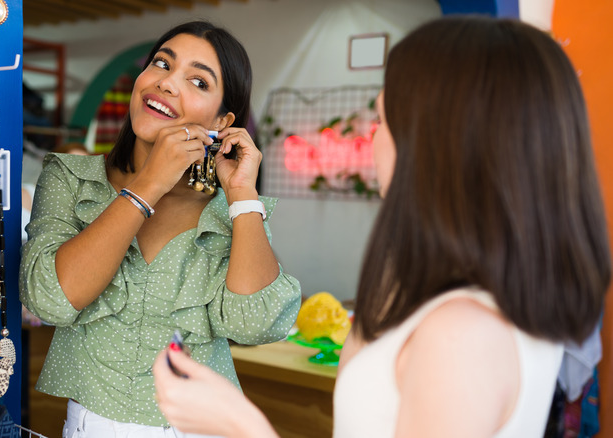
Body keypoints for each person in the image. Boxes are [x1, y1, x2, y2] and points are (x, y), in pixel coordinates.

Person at [152, 16, 611, 438]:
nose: (372, 143)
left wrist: (242, 425)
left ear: (443, 142)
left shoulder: (463, 336)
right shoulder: (468, 290)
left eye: (384, 122)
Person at [19, 21, 301, 437]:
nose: (167, 82)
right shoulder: (71, 179)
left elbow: (254, 324)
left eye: (198, 80)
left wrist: (242, 192)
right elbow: (51, 300)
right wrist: (149, 185)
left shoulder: (230, 210)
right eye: (161, 63)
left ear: (223, 121)